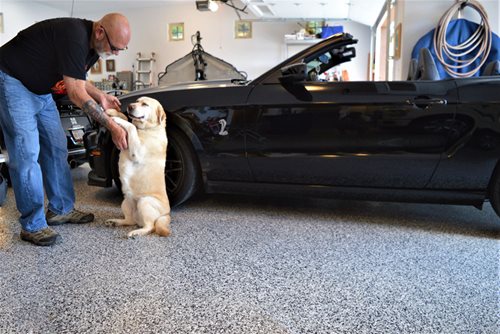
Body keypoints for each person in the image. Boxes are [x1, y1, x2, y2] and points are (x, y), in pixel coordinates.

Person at [0, 13, 130, 246]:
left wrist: (101, 95)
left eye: (122, 49)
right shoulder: (74, 36)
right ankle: (33, 224)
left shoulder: (93, 48)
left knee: (57, 146)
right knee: (26, 152)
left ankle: (60, 209)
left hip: (40, 90)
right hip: (12, 80)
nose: (116, 53)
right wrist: (111, 126)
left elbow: (78, 80)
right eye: (115, 47)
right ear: (100, 31)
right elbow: (75, 93)